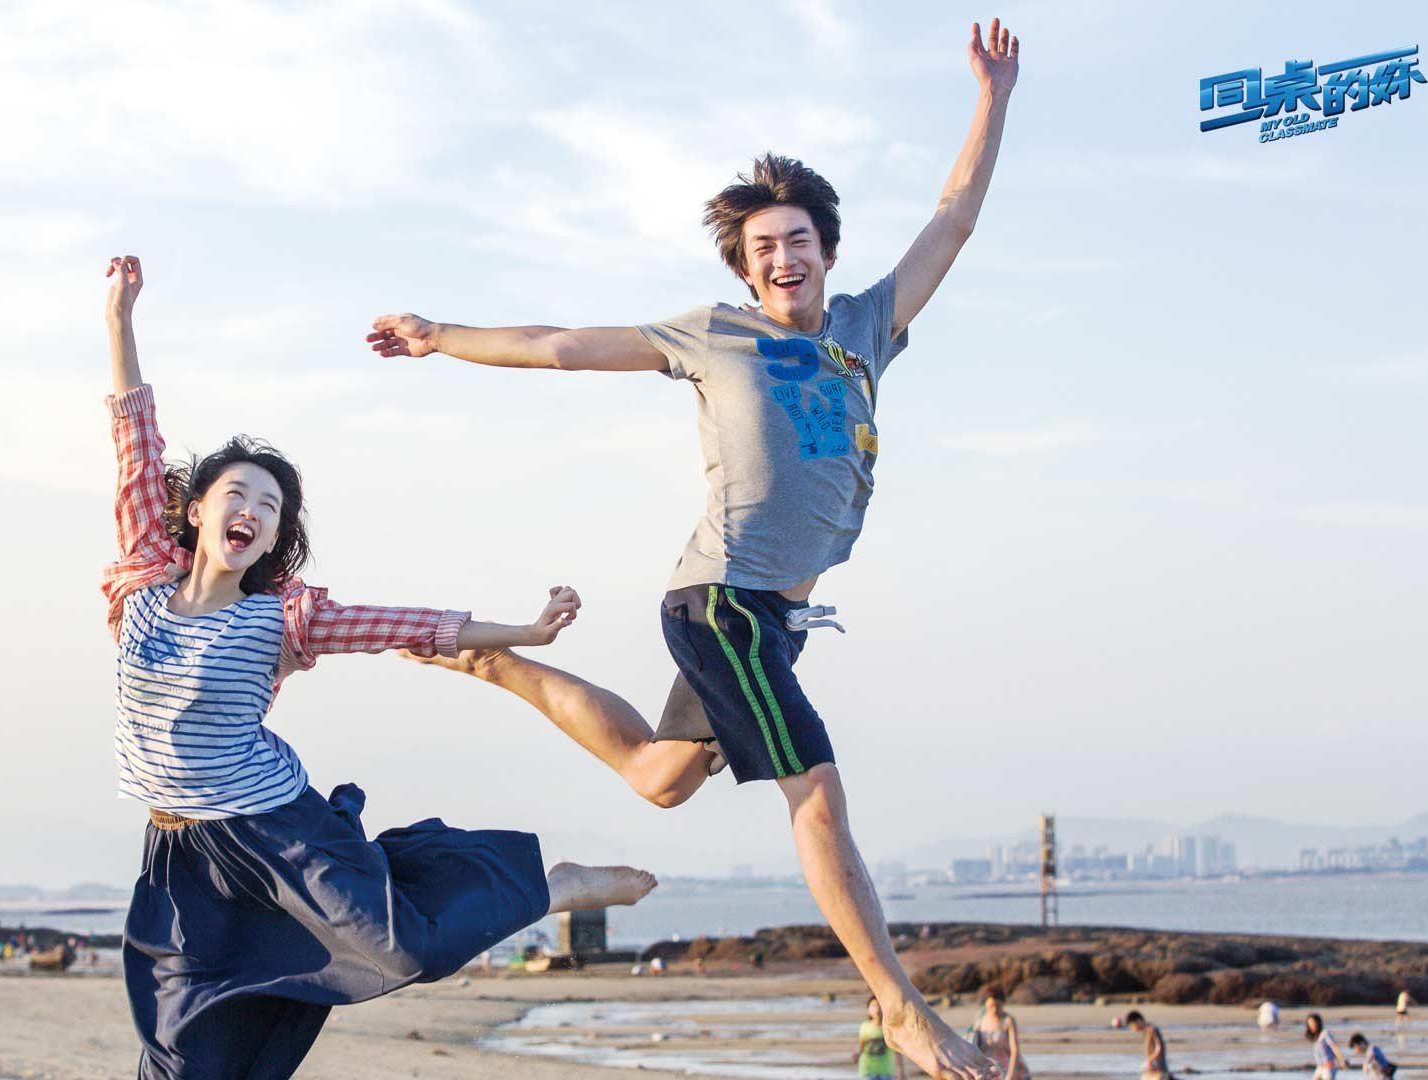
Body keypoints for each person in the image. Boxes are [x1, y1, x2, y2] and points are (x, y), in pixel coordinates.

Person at [367, 22, 1021, 1080]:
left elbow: (953, 219)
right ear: (747, 270)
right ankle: (899, 1008)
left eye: (797, 239)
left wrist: (993, 95)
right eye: (763, 248)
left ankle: (494, 660)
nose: (782, 257)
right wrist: (443, 337)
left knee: (659, 776)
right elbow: (563, 347)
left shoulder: (865, 329)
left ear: (827, 250)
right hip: (724, 602)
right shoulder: (717, 335)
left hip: (777, 617)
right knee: (816, 789)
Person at [99, 256, 658, 1080]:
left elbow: (407, 625)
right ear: (198, 509)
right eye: (238, 495)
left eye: (269, 507)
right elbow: (133, 438)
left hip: (275, 830)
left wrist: (526, 632)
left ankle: (550, 887)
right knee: (185, 1054)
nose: (251, 511)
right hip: (180, 855)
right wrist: (119, 318)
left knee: (404, 951)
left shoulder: (281, 618)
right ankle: (383, 878)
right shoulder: (144, 574)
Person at [972, 990, 1029, 1080]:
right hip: (988, 1067)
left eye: (998, 1006)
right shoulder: (980, 1020)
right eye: (991, 1006)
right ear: (985, 1004)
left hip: (1008, 1067)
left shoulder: (1008, 1020)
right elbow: (973, 1045)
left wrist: (1010, 1076)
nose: (994, 1009)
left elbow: (1014, 1050)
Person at [857, 998, 910, 1080]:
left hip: (885, 1071)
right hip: (867, 1070)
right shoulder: (865, 1026)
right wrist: (857, 1054)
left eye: (880, 1005)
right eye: (874, 1005)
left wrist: (901, 1072)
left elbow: (898, 1052)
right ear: (868, 1010)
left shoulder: (890, 1028)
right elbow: (861, 1045)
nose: (878, 1008)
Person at [1125, 1011, 1169, 1080]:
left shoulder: (1152, 1029)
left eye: (1132, 1025)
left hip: (1159, 1072)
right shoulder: (1145, 1031)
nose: (1133, 1029)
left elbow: (1159, 1048)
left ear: (1138, 1021)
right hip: (1152, 1071)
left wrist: (1150, 1060)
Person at [1309, 1013, 1348, 1080]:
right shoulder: (1317, 1037)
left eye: (1312, 1023)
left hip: (1328, 1068)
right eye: (1309, 1024)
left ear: (1318, 1022)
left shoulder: (1325, 1033)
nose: (1311, 1025)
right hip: (1319, 1067)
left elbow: (1334, 1047)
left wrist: (1341, 1061)